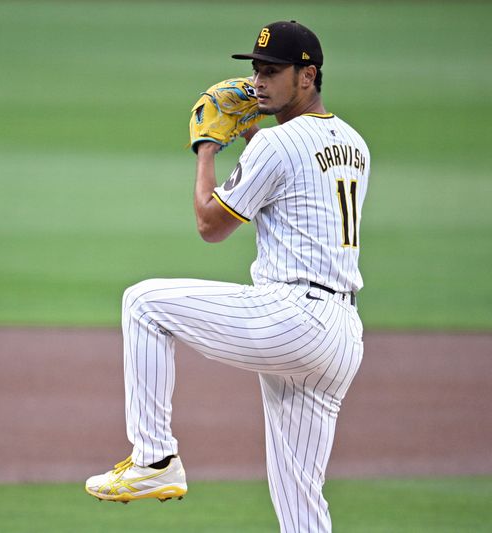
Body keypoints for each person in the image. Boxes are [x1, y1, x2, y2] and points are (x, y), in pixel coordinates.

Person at [84, 20, 370, 533]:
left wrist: (208, 147)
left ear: (308, 75)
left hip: (294, 319)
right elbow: (292, 193)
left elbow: (210, 225)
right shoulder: (354, 144)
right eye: (256, 69)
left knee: (143, 304)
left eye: (273, 71)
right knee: (300, 505)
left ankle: (153, 459)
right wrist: (253, 134)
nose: (258, 81)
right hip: (341, 337)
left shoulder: (277, 147)